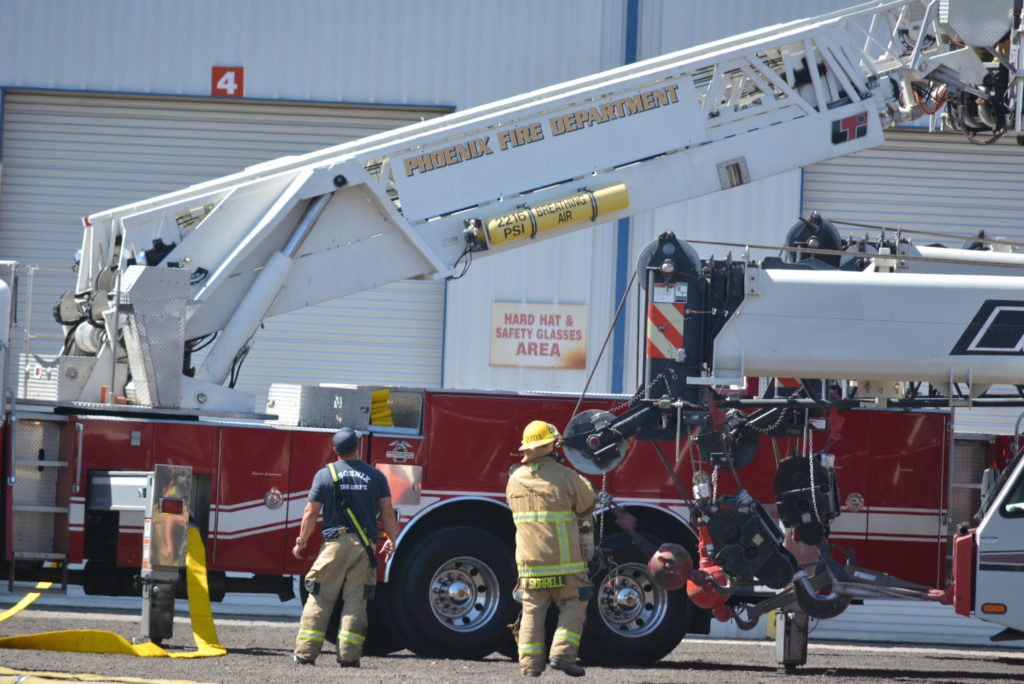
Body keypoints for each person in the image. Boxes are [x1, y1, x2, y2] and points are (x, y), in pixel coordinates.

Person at [291, 427, 398, 668]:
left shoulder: (324, 475)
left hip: (334, 545)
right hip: (364, 548)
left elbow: (310, 512)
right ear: (357, 447)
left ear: (335, 450)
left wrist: (301, 542)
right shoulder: (376, 476)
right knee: (356, 602)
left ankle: (305, 654)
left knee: (319, 598)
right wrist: (392, 540)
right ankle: (349, 658)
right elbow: (387, 512)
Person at [506, 420, 596, 677]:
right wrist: (584, 483)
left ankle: (530, 667)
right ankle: (562, 655)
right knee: (574, 602)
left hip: (530, 567)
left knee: (532, 612)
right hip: (565, 565)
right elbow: (587, 505)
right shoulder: (566, 476)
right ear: (552, 446)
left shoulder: (514, 480)